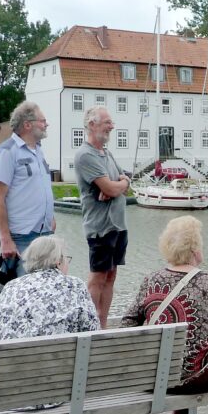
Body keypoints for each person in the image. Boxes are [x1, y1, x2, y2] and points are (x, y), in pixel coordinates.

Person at [120, 216, 208, 414]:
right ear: (195, 249)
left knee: (172, 358)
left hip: (159, 377)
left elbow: (127, 325)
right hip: (204, 375)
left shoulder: (151, 280)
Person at [0, 236, 102, 414]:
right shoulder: (75, 286)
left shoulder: (11, 287)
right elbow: (94, 336)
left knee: (16, 365)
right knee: (85, 365)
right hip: (59, 390)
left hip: (17, 394)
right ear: (59, 261)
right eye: (67, 259)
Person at [75, 106, 131, 329]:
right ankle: (88, 327)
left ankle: (103, 325)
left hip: (118, 226)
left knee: (111, 276)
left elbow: (124, 182)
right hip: (100, 227)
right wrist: (113, 186)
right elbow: (111, 186)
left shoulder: (106, 153)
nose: (112, 126)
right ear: (92, 124)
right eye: (107, 122)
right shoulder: (85, 155)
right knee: (98, 277)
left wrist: (118, 185)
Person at [0, 101, 55, 274]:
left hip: (45, 234)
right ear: (27, 125)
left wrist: (50, 218)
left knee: (44, 292)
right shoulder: (7, 152)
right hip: (21, 238)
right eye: (42, 121)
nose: (46, 124)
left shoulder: (38, 151)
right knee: (25, 295)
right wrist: (5, 239)